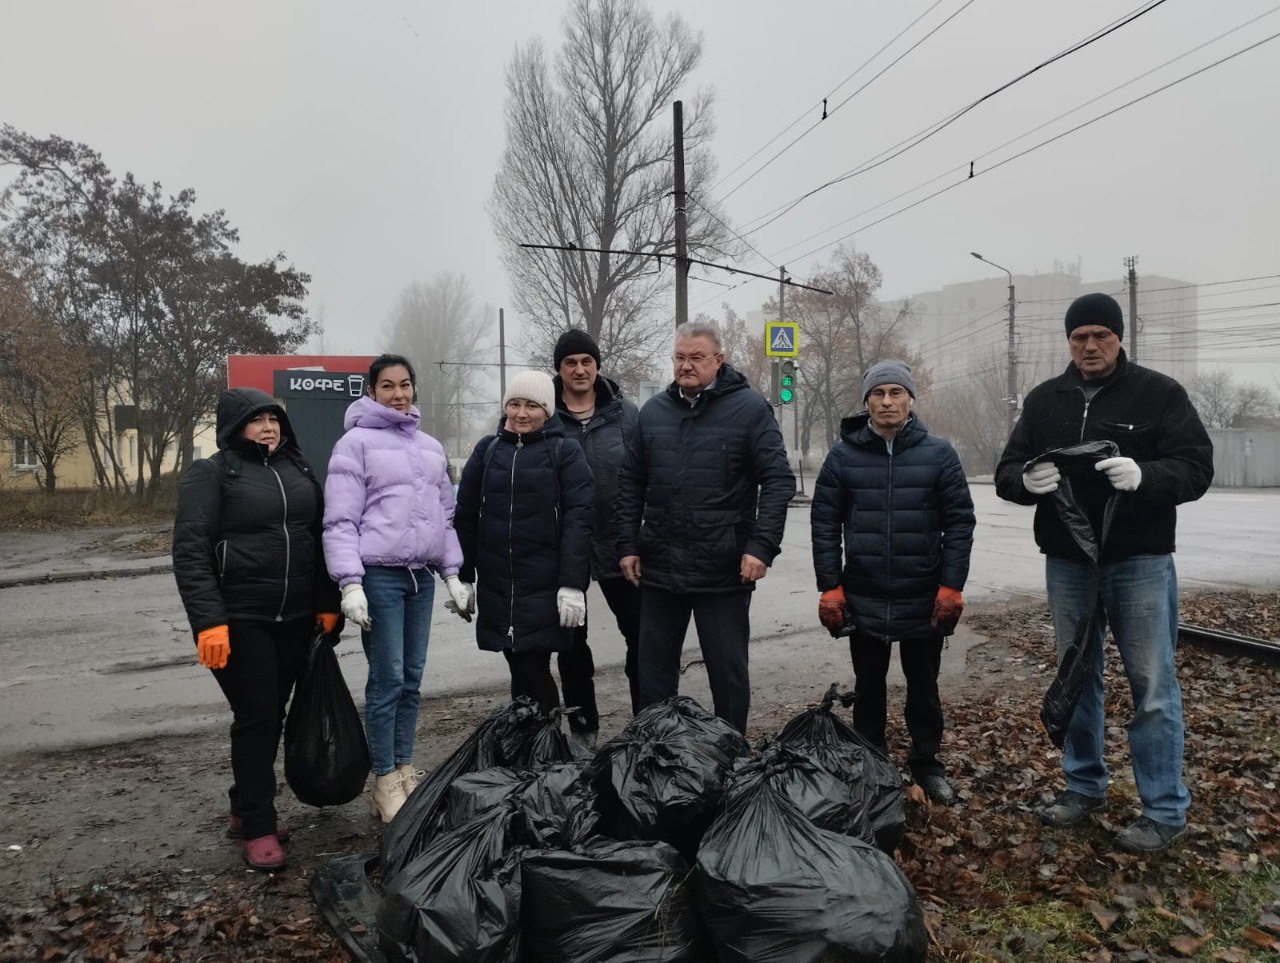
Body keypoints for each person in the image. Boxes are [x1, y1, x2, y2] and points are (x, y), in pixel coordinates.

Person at [995, 292, 1213, 853]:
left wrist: (1148, 474)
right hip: (1069, 563)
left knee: (1153, 686)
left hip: (1138, 561)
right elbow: (1007, 470)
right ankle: (1083, 786)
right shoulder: (1046, 400)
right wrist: (1026, 481)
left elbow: (1195, 467)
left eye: (1101, 336)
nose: (1090, 346)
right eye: (1079, 337)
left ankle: (1164, 809)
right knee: (1078, 676)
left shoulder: (1159, 394)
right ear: (1068, 341)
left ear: (1119, 338)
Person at [173, 387, 341, 872]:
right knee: (258, 715)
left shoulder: (299, 467)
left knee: (273, 713)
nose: (268, 426)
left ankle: (243, 804)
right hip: (240, 618)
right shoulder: (212, 473)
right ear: (233, 427)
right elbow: (190, 552)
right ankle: (259, 825)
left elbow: (319, 537)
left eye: (273, 418)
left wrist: (327, 602)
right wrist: (208, 623)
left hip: (295, 617)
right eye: (256, 419)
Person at [616, 319, 795, 734]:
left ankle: (730, 754)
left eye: (697, 357)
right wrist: (628, 545)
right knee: (654, 673)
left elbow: (778, 479)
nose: (686, 365)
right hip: (660, 567)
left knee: (727, 674)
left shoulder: (750, 409)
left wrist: (762, 546)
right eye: (680, 357)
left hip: (724, 568)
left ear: (719, 359)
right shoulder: (653, 413)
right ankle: (653, 752)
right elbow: (631, 482)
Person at [810, 360, 975, 805]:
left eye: (895, 393)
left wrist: (951, 585)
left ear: (910, 399)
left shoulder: (939, 454)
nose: (887, 401)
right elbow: (824, 522)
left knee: (924, 685)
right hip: (863, 593)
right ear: (866, 401)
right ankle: (872, 758)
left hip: (922, 594)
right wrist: (830, 586)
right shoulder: (843, 456)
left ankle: (926, 761)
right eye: (878, 393)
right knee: (868, 684)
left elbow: (960, 522)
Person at [323, 354, 472, 824]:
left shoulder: (430, 447)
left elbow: (444, 518)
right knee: (386, 680)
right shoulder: (354, 445)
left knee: (411, 678)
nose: (398, 394)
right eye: (387, 386)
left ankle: (405, 769)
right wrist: (350, 582)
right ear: (371, 392)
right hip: (380, 577)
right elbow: (341, 520)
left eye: (405, 384)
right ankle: (384, 779)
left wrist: (452, 573)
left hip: (419, 579)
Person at [454, 370, 595, 721]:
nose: (521, 413)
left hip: (546, 585)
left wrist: (572, 584)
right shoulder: (488, 451)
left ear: (547, 411)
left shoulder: (565, 451)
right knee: (518, 666)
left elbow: (580, 518)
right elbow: (466, 514)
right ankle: (533, 752)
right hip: (498, 584)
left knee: (532, 667)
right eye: (514, 404)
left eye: (532, 405)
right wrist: (462, 574)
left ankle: (547, 753)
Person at [551, 329, 642, 744]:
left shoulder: (625, 414)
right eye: (570, 362)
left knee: (640, 635)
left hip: (620, 542)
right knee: (571, 644)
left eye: (586, 361)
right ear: (559, 369)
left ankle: (647, 724)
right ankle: (583, 731)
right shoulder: (545, 415)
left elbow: (647, 475)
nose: (579, 369)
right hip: (565, 546)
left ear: (597, 366)